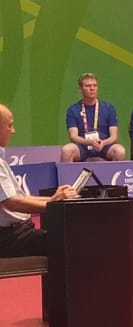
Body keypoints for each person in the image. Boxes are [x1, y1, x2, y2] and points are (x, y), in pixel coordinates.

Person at [1, 104, 80, 257]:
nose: (13, 130)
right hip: (7, 238)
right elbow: (12, 202)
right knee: (68, 241)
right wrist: (52, 205)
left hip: (17, 231)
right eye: (9, 125)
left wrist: (53, 199)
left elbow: (18, 198)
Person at [60, 73, 126, 162]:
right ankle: (67, 172)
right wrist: (90, 142)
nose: (92, 88)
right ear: (80, 89)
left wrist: (103, 142)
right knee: (66, 150)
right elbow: (73, 136)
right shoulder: (73, 109)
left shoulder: (109, 108)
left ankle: (116, 172)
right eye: (88, 86)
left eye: (94, 85)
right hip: (83, 146)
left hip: (104, 145)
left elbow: (114, 136)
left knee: (120, 151)